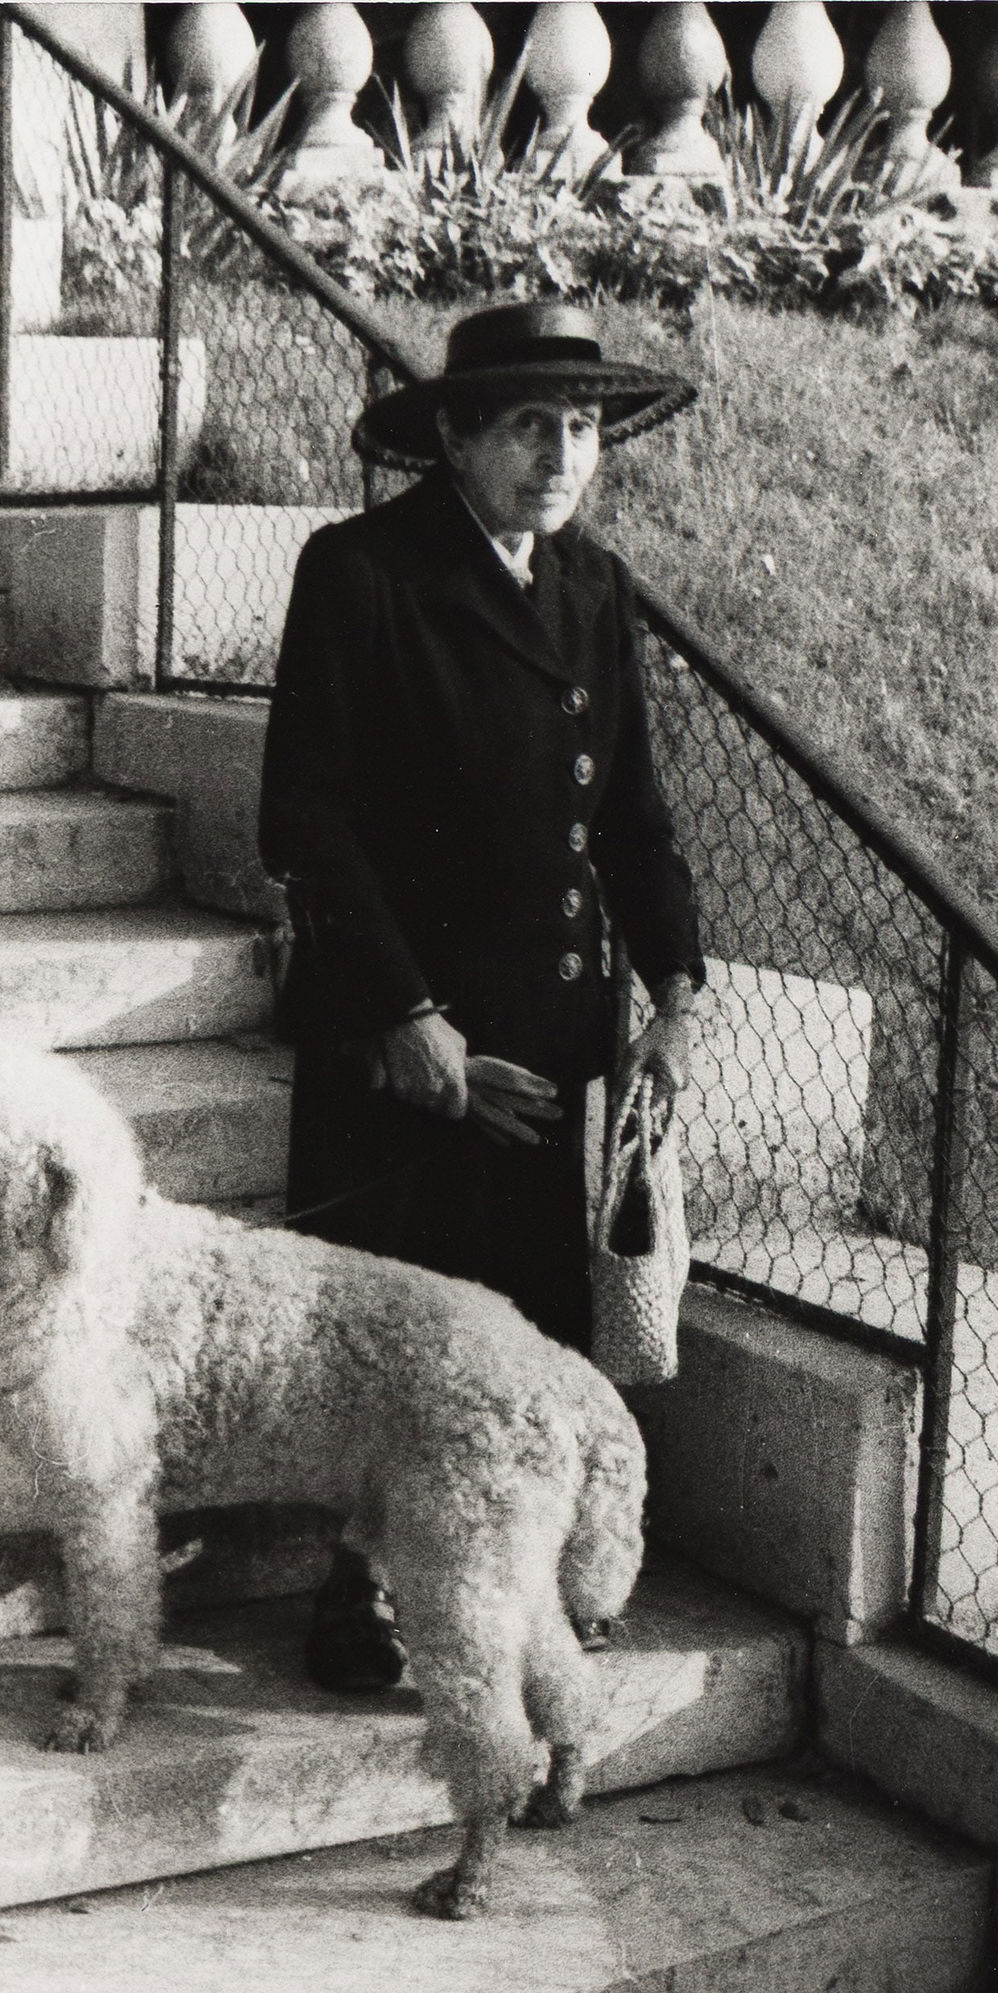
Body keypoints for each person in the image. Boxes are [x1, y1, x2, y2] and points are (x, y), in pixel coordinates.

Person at [259, 300, 705, 1691]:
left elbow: (631, 817)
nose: (559, 455)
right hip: (415, 1046)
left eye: (580, 429)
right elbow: (305, 820)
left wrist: (675, 991)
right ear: (454, 436)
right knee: (406, 1331)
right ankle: (362, 1592)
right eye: (527, 426)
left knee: (525, 1328)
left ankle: (503, 1599)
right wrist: (403, 1021)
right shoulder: (364, 575)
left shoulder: (594, 590)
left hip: (557, 1049)